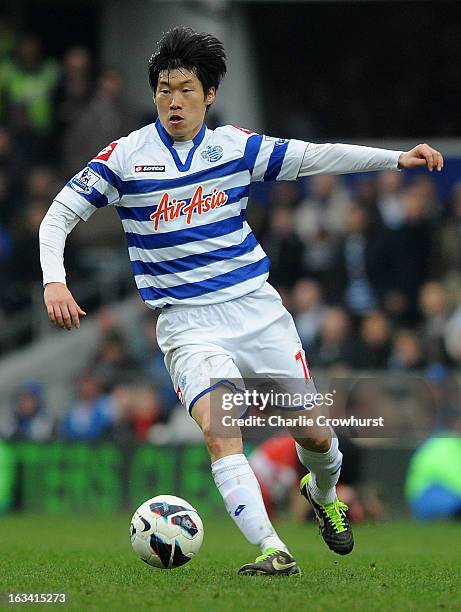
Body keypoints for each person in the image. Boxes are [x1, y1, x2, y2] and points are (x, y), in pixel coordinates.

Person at [39, 26, 443, 576]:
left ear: (209, 95)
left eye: (185, 89)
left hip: (256, 310)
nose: (172, 100)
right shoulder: (125, 157)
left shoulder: (236, 148)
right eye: (162, 88)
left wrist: (397, 160)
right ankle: (273, 549)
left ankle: (323, 498)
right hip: (187, 323)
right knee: (219, 429)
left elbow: (318, 156)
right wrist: (53, 280)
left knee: (316, 435)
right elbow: (58, 214)